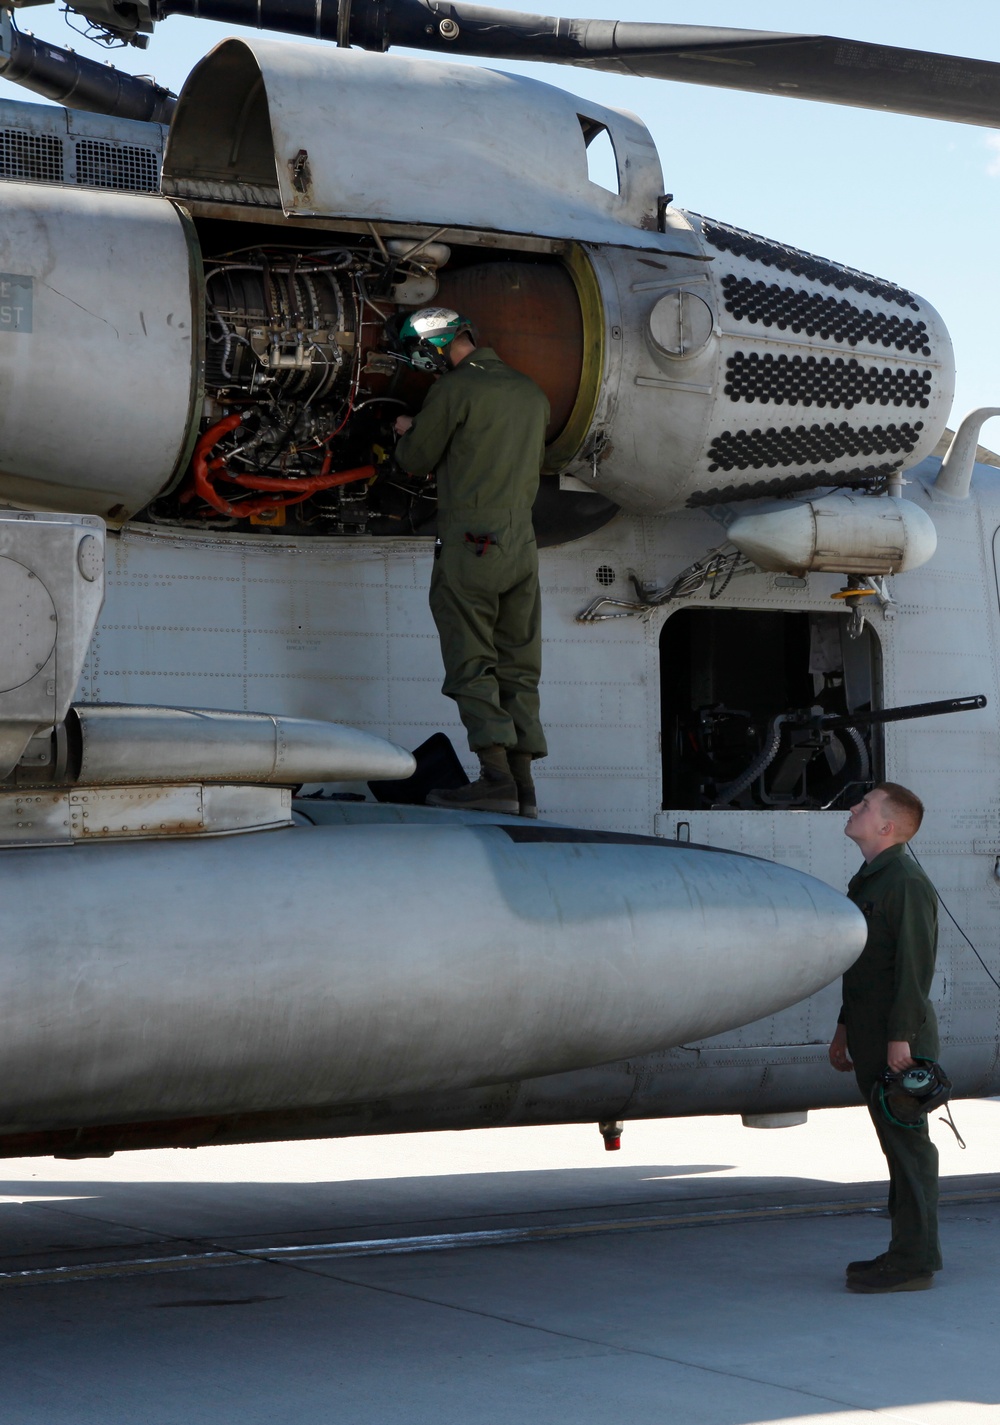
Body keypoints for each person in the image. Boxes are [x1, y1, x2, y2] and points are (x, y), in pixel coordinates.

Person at [393, 308, 550, 817]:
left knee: (471, 659)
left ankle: (495, 778)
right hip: (522, 542)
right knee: (518, 665)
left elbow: (415, 459)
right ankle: (523, 790)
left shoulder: (456, 389)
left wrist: (406, 431)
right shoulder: (531, 393)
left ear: (436, 348)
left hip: (472, 542)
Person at [829, 782, 941, 1294]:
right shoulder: (871, 879)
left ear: (886, 826)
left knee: (909, 1150)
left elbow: (914, 971)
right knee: (896, 1149)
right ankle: (904, 1250)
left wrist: (902, 1042)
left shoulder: (905, 882)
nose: (854, 808)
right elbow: (863, 966)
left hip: (899, 1043)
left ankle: (914, 1263)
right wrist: (843, 1029)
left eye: (865, 805)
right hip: (874, 1036)